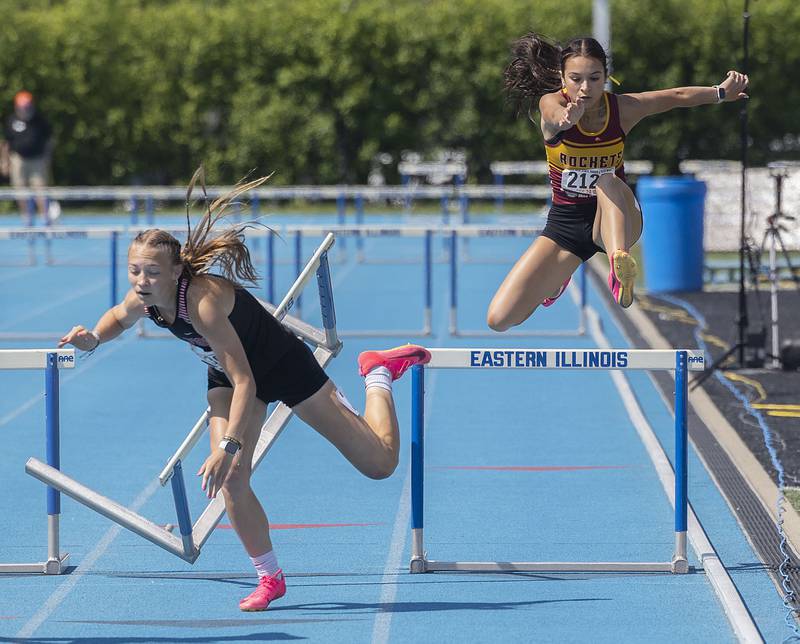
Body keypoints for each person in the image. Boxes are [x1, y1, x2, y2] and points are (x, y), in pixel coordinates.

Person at [58, 169, 430, 611]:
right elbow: (118, 317)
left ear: (177, 271)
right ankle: (269, 576)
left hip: (279, 367)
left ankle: (377, 374)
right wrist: (93, 339)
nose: (141, 280)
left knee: (380, 464)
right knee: (231, 480)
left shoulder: (202, 303)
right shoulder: (144, 297)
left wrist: (230, 443)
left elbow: (247, 380)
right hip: (227, 376)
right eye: (135, 270)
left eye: (152, 272)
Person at [486, 34, 749, 331]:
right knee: (499, 319)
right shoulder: (552, 103)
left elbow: (674, 97)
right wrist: (564, 120)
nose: (585, 88)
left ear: (607, 77)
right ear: (562, 77)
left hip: (617, 217)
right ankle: (555, 282)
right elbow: (553, 114)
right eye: (576, 78)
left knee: (606, 181)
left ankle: (619, 263)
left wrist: (720, 92)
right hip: (565, 225)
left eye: (594, 78)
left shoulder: (623, 109)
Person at [1, 91, 54, 226]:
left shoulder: (40, 120)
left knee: (40, 189)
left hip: (37, 159)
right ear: (17, 107)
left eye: (28, 106)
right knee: (20, 190)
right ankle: (26, 218)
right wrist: (4, 161)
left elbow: (49, 141)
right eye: (23, 107)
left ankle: (45, 217)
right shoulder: (11, 120)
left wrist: (47, 158)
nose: (26, 109)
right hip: (18, 159)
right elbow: (6, 143)